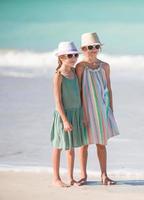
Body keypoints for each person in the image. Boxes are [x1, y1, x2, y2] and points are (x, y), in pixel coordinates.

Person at [76, 32, 120, 186]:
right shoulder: (80, 67)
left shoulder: (105, 66)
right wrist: (81, 112)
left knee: (101, 143)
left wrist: (111, 110)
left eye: (96, 46)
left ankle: (104, 175)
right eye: (90, 47)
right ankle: (83, 175)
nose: (93, 49)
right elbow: (79, 90)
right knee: (84, 144)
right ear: (83, 49)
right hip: (86, 110)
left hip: (101, 109)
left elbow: (109, 88)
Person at [51, 41, 88, 187]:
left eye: (75, 55)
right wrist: (65, 120)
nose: (73, 58)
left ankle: (71, 178)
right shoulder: (58, 75)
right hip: (63, 115)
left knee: (71, 148)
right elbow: (58, 101)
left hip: (76, 113)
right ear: (61, 57)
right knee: (59, 146)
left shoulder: (74, 72)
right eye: (69, 55)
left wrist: (83, 113)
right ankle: (55, 178)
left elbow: (79, 93)